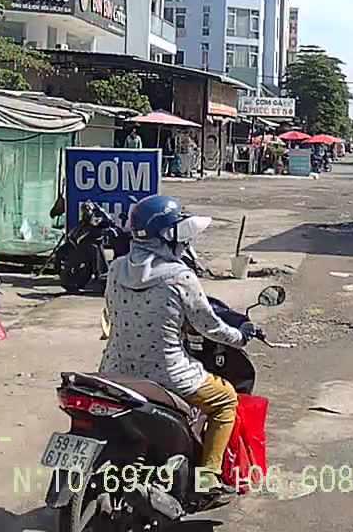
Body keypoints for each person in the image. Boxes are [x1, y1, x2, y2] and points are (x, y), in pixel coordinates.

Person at [98, 195, 258, 505]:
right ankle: (207, 479)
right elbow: (210, 326)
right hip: (168, 375)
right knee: (226, 400)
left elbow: (113, 312)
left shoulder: (116, 268)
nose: (185, 242)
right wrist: (240, 337)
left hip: (114, 372)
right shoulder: (180, 276)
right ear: (167, 236)